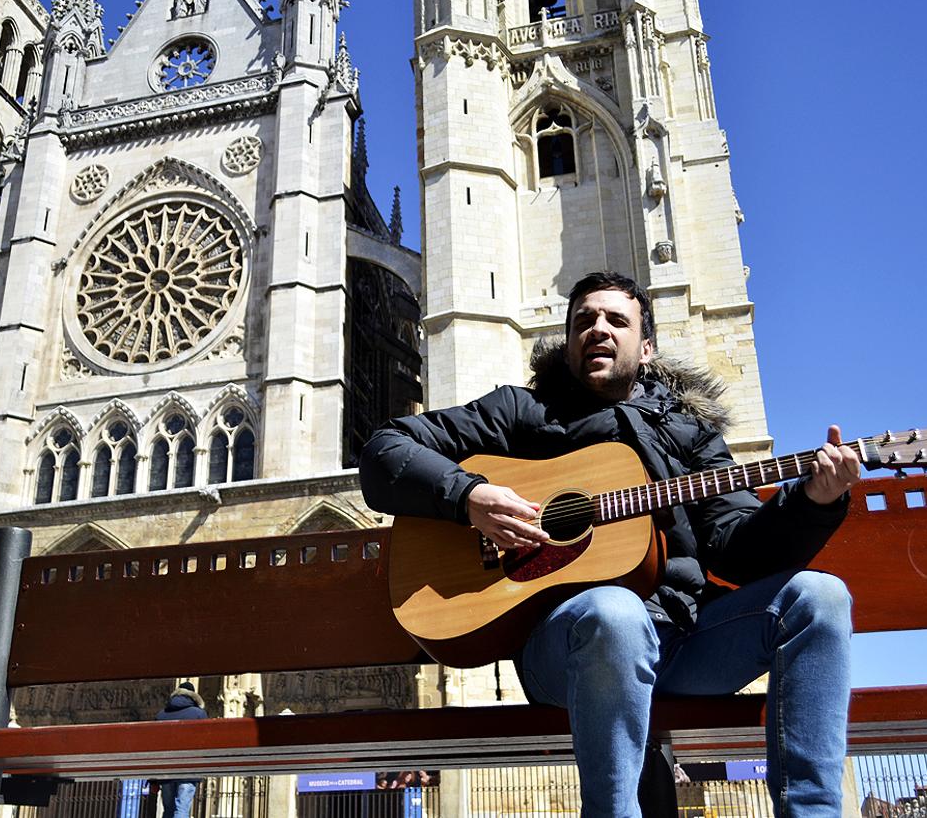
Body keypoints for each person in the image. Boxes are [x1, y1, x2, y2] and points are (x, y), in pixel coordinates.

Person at [359, 271, 860, 817]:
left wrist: (814, 502)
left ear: (645, 349)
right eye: (583, 321)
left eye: (616, 320)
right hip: (570, 652)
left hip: (687, 640)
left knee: (820, 597)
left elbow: (739, 550)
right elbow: (387, 447)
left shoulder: (689, 433)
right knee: (615, 612)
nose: (598, 328)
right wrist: (469, 497)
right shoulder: (522, 414)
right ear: (569, 342)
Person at [154, 681, 208, 818]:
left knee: (168, 810)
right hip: (188, 769)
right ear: (194, 696)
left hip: (166, 771)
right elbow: (206, 743)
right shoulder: (198, 714)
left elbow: (155, 748)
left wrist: (153, 779)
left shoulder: (161, 715)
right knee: (182, 809)